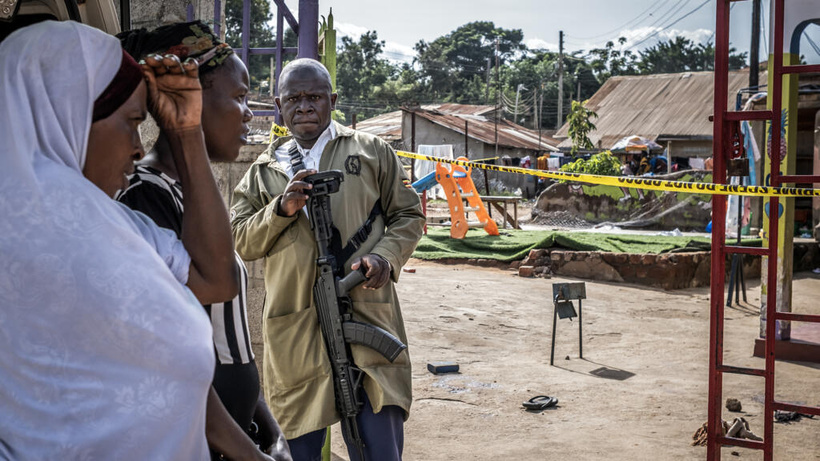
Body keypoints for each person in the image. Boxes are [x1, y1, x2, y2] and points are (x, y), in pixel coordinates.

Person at [0, 20, 245, 459]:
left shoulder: (121, 228)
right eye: (132, 123)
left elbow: (216, 280)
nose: (137, 147)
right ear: (71, 116)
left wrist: (186, 133)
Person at [230, 58, 425, 461]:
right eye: (293, 99)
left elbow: (408, 215)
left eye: (314, 97)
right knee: (297, 448)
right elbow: (239, 240)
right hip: (295, 326)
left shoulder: (372, 151)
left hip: (367, 313)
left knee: (378, 446)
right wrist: (280, 211)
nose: (304, 106)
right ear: (279, 105)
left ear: (332, 100)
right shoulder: (263, 170)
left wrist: (385, 258)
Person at [116, 21, 290, 460]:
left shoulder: (194, 196)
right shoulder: (146, 197)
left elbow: (230, 343)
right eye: (239, 97)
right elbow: (167, 356)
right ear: (191, 99)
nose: (248, 113)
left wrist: (266, 425)